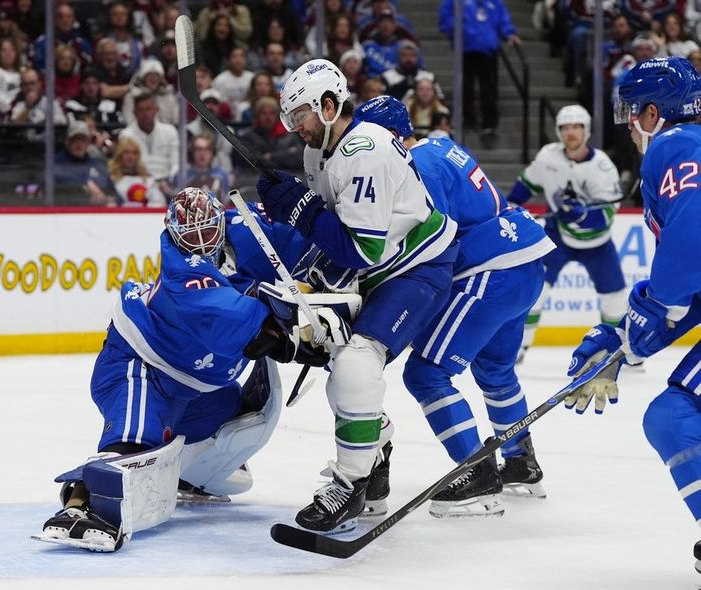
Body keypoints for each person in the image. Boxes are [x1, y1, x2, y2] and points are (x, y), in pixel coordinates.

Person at [32, 188, 326, 552]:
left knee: (245, 419)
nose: (201, 245)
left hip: (197, 386)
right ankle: (83, 505)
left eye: (208, 233)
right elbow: (223, 315)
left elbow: (299, 239)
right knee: (135, 437)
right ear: (173, 234)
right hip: (141, 366)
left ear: (221, 222)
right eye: (190, 237)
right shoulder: (181, 274)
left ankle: (191, 476)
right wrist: (281, 327)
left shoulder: (245, 224)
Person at [256, 59, 459, 534]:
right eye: (290, 118)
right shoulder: (319, 154)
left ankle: (350, 484)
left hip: (417, 268)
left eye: (301, 115)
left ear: (330, 106)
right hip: (378, 270)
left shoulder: (365, 149)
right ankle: (375, 455)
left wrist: (302, 212)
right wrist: (295, 211)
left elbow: (360, 247)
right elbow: (334, 232)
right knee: (334, 357)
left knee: (355, 365)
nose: (295, 127)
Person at [355, 95, 555, 516]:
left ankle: (476, 474)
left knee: (427, 373)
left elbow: (433, 243)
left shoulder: (417, 169)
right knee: (495, 370)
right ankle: (520, 463)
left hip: (491, 269)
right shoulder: (439, 144)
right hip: (524, 257)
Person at [563, 56, 701, 576]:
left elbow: (691, 242)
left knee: (675, 416)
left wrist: (646, 325)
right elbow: (691, 289)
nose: (628, 124)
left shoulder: (674, 147)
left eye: (630, 112)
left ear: (651, 112)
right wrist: (623, 336)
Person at [507, 104, 627, 363]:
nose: (571, 132)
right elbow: (525, 185)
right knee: (535, 291)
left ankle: (616, 351)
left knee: (615, 301)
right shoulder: (548, 156)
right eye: (565, 127)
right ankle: (519, 346)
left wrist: (578, 215)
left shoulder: (603, 167)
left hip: (597, 243)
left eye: (576, 127)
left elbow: (605, 217)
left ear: (586, 130)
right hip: (557, 237)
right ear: (558, 131)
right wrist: (510, 209)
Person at [438, 0, 520, 136]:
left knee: (489, 88)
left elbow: (503, 20)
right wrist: (459, 26)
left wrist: (509, 33)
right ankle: (468, 120)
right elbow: (445, 21)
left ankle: (490, 122)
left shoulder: (494, 2)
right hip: (465, 50)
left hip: (488, 50)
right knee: (466, 87)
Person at [120, 91, 180, 199]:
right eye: (141, 110)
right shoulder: (126, 135)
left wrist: (170, 182)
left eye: (148, 109)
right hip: (140, 182)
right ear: (134, 113)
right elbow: (127, 166)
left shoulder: (170, 131)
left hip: (168, 182)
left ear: (155, 110)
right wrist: (149, 182)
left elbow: (176, 163)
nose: (145, 114)